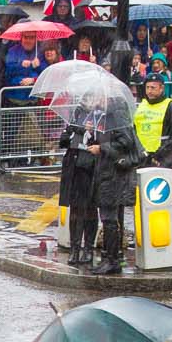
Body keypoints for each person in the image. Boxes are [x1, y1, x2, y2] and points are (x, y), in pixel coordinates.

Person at [90, 116, 142, 276]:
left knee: (109, 218)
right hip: (107, 174)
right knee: (107, 217)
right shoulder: (106, 117)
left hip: (114, 176)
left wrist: (102, 147)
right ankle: (109, 258)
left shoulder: (117, 117)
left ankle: (112, 260)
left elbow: (126, 143)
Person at [58, 102, 101, 268]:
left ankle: (88, 248)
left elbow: (104, 143)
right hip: (75, 168)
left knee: (91, 208)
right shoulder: (77, 114)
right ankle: (74, 248)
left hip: (92, 168)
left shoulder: (103, 116)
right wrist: (78, 131)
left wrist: (92, 133)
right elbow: (63, 140)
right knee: (75, 209)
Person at [133, 74, 172, 168]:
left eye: (153, 88)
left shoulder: (171, 106)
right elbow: (134, 128)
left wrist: (160, 156)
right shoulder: (142, 104)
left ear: (161, 88)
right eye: (147, 87)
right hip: (142, 155)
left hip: (161, 158)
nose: (149, 91)